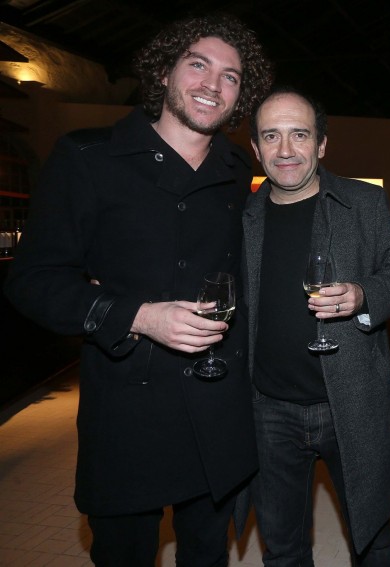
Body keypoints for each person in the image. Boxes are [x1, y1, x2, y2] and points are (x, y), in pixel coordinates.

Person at [3, 14, 272, 566]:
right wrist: (140, 316)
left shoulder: (235, 170)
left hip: (216, 404)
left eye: (231, 76)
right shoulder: (89, 157)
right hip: (128, 408)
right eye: (197, 65)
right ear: (164, 71)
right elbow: (32, 281)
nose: (212, 84)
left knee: (208, 554)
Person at [244, 86, 390, 566]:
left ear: (321, 144)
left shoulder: (362, 202)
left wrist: (363, 294)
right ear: (255, 148)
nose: (285, 149)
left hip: (352, 403)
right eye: (271, 136)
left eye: (299, 135)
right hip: (269, 410)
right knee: (282, 548)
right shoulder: (243, 217)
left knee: (373, 541)